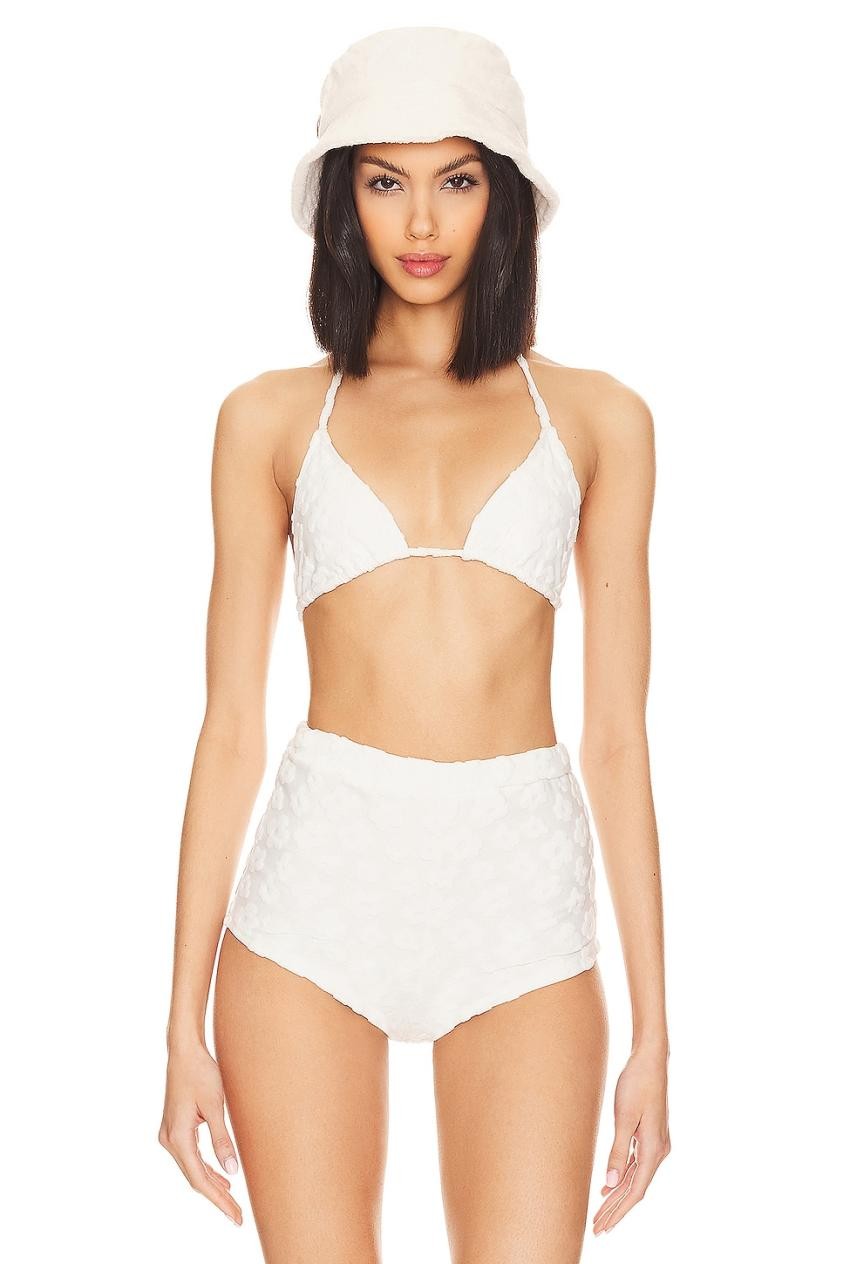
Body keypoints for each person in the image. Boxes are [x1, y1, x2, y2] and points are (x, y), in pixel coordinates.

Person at [158, 25, 670, 1263]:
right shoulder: (267, 419)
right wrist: (179, 1024)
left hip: (520, 901)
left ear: (505, 197)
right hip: (314, 900)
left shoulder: (600, 419)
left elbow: (616, 737)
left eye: (458, 178)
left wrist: (656, 1032)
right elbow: (229, 728)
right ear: (345, 199)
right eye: (386, 180)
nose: (423, 221)